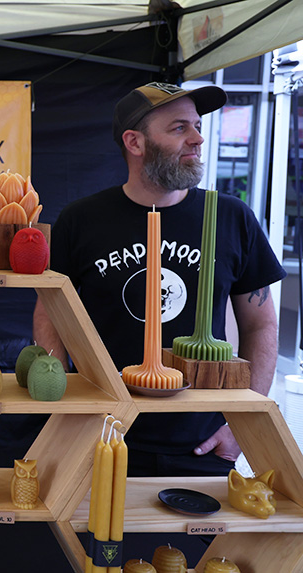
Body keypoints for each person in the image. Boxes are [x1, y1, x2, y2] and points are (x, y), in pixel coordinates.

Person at [33, 82, 286, 477]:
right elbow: (50, 313)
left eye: (197, 126)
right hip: (102, 434)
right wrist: (62, 402)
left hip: (200, 445)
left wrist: (243, 424)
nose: (198, 138)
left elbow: (262, 324)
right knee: (97, 540)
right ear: (134, 142)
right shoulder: (81, 220)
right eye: (179, 128)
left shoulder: (231, 219)